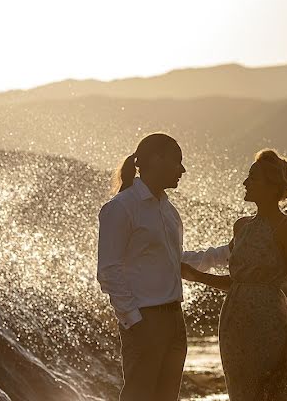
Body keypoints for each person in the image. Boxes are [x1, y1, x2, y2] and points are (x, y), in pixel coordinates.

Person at [97, 132, 230, 401]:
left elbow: (175, 260)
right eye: (177, 161)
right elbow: (108, 271)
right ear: (156, 159)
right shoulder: (121, 207)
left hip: (174, 319)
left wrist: (225, 254)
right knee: (139, 395)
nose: (183, 169)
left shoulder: (168, 209)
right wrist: (134, 320)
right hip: (145, 318)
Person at [182, 149, 287, 401]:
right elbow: (239, 283)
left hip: (271, 320)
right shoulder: (241, 226)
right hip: (234, 322)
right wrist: (198, 276)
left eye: (253, 177)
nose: (245, 182)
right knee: (241, 393)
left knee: (276, 393)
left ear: (273, 187)